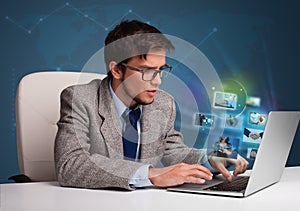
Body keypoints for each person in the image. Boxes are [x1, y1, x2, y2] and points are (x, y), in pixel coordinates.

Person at [54, 20, 248, 190]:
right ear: (116, 70)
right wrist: (151, 174)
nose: (157, 81)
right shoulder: (79, 99)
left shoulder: (163, 103)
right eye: (147, 71)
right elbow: (70, 165)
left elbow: (173, 152)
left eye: (161, 69)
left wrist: (211, 159)